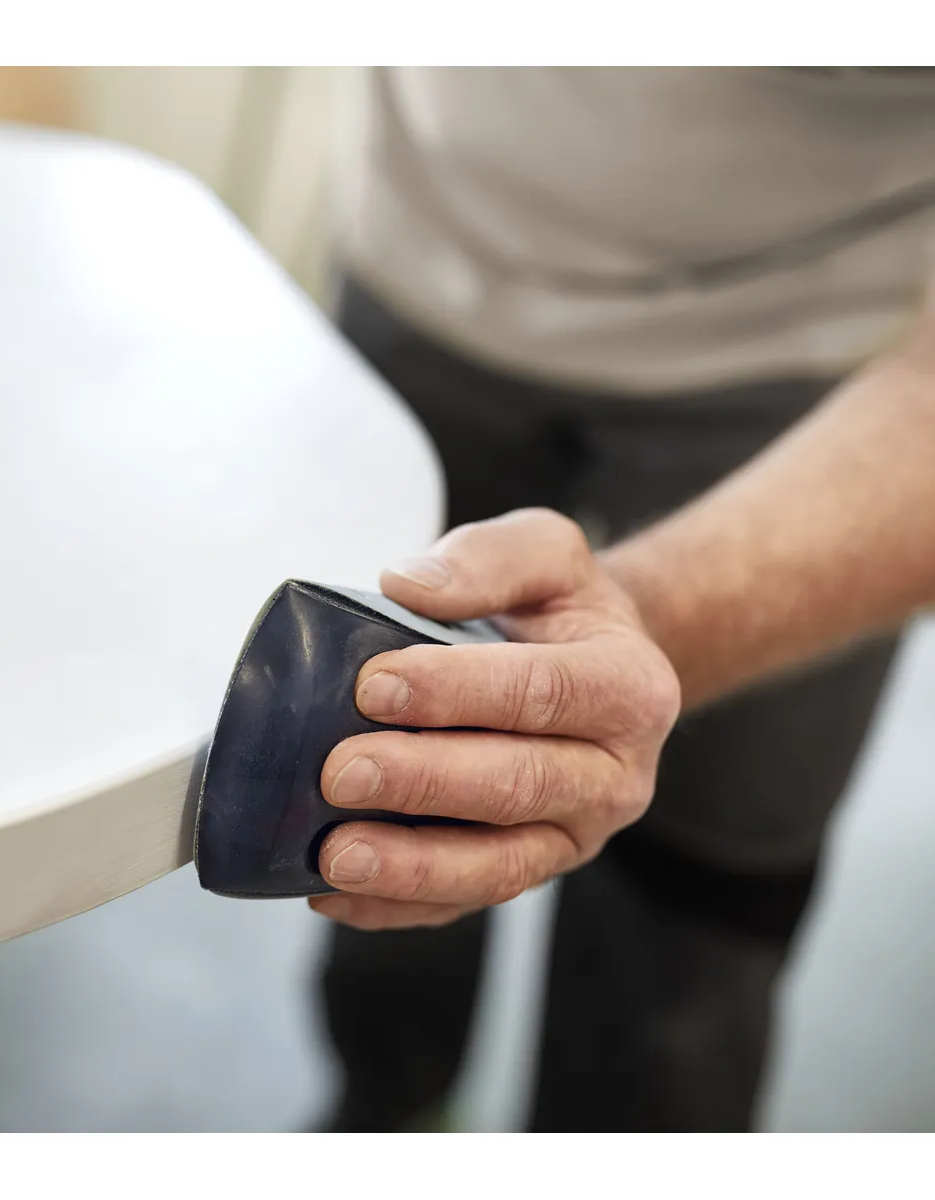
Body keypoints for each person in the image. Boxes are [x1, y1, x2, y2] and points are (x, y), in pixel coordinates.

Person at [317, 67, 935, 1132]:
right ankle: (388, 1103)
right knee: (385, 802)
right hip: (415, 256)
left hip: (827, 369)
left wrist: (647, 621)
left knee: (687, 937)